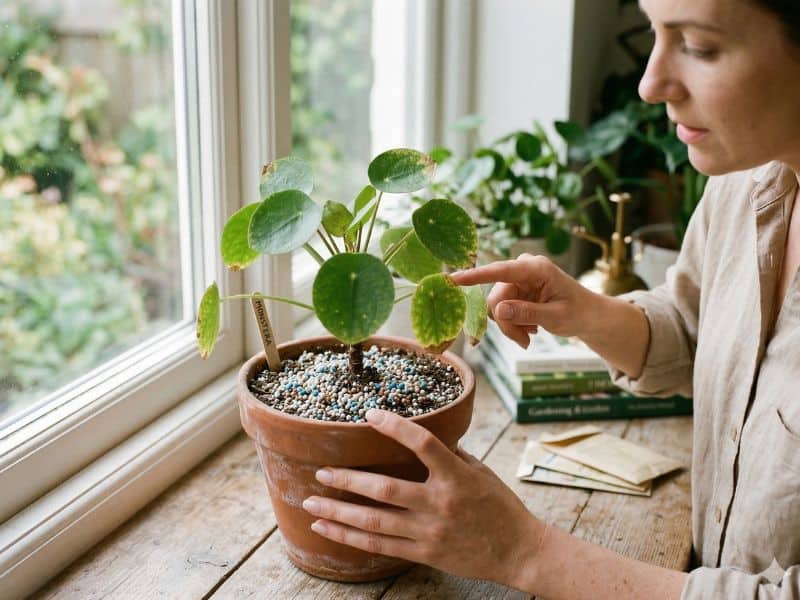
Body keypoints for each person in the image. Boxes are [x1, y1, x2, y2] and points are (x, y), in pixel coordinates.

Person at [300, 0, 800, 597]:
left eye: (698, 46)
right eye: (653, 32)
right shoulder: (750, 178)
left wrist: (525, 552)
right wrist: (586, 313)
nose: (650, 84)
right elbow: (698, 329)